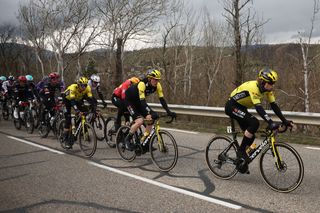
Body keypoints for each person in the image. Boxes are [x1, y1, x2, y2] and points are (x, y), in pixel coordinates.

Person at [224, 67, 293, 173]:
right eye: (270, 83)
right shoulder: (253, 88)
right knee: (254, 123)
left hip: (242, 108)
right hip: (232, 106)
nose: (272, 86)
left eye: (273, 83)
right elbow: (259, 108)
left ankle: (240, 161)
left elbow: (274, 106)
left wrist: (284, 121)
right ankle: (241, 151)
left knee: (250, 136)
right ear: (262, 82)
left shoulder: (267, 90)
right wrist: (270, 122)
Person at [124, 68, 176, 151]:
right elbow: (143, 101)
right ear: (149, 79)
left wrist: (168, 111)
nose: (157, 82)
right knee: (140, 121)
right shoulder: (142, 84)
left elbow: (162, 100)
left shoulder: (157, 85)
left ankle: (145, 142)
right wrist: (149, 112)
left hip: (139, 102)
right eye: (155, 80)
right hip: (129, 101)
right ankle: (127, 139)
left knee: (150, 121)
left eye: (158, 80)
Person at [62, 76, 96, 149]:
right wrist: (77, 110)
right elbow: (72, 101)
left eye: (85, 85)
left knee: (84, 111)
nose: (84, 87)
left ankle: (77, 126)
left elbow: (91, 99)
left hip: (77, 100)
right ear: (78, 84)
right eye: (82, 85)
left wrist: (94, 109)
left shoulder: (87, 88)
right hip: (67, 100)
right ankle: (65, 138)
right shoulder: (73, 88)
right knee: (68, 119)